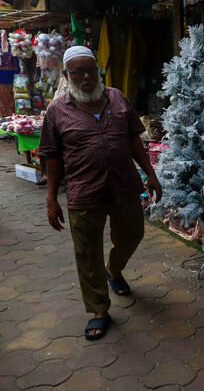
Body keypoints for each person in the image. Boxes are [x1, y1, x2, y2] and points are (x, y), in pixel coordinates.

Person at [39, 46, 162, 340]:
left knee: (133, 234)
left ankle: (114, 269)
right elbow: (52, 157)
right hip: (84, 192)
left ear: (98, 71)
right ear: (67, 76)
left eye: (91, 70)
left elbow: (134, 138)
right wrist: (51, 198)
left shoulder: (117, 98)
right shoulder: (57, 111)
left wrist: (151, 173)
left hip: (124, 186)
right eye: (78, 72)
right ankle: (99, 309)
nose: (86, 77)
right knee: (86, 252)